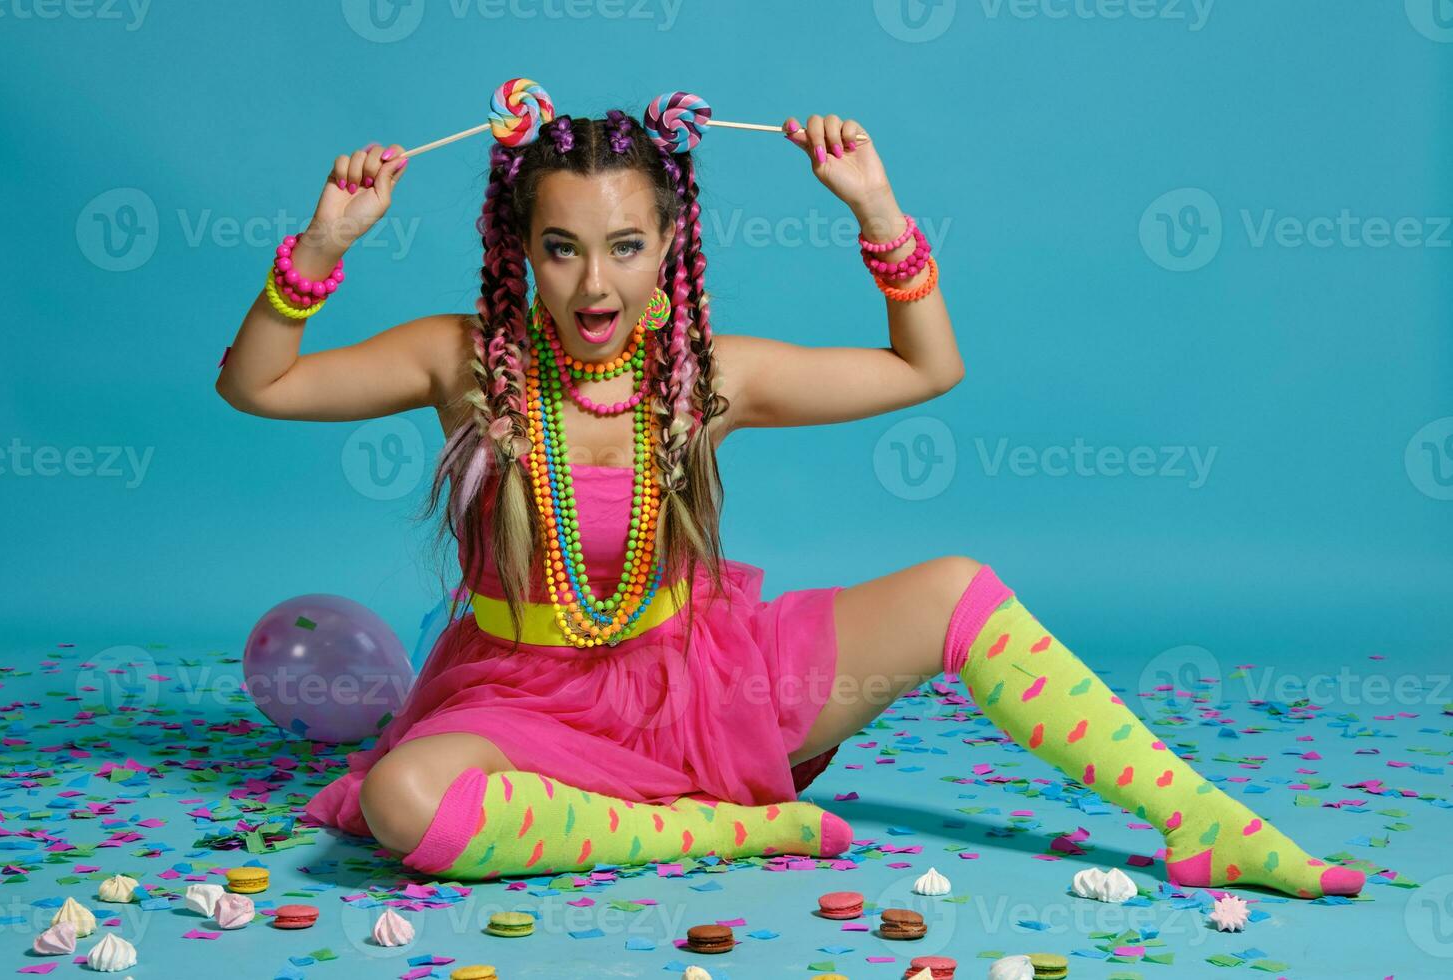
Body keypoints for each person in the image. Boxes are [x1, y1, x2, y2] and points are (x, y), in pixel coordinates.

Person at [215, 108, 1363, 900]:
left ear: (671, 247)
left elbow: (927, 368)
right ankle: (734, 827)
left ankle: (1206, 821)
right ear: (521, 251)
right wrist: (321, 247)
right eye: (561, 250)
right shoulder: (464, 359)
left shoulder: (706, 375)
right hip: (523, 697)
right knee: (408, 796)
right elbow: (254, 383)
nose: (596, 283)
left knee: (956, 588)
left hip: (698, 677)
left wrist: (875, 204)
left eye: (625, 246)